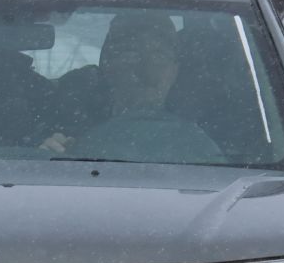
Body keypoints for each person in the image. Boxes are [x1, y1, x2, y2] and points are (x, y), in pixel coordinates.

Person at [60, 11, 224, 164]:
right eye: (131, 54)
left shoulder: (216, 129)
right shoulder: (66, 117)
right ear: (107, 63)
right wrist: (52, 153)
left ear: (175, 69)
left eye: (159, 55)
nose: (147, 70)